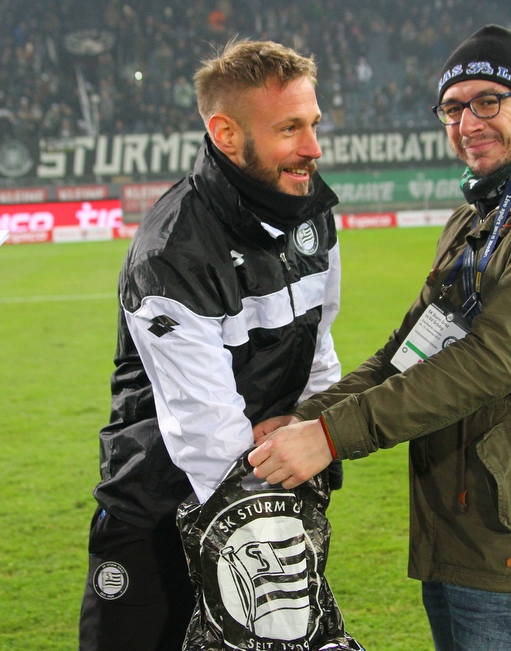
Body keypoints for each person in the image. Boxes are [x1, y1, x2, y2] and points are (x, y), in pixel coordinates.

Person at [249, 25, 511, 650]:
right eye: (453, 108)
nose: (466, 122)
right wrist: (303, 418)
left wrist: (329, 438)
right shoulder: (480, 212)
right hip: (458, 528)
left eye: (488, 101)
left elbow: (489, 362)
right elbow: (410, 351)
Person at [79, 39, 342, 651]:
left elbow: (319, 354)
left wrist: (307, 433)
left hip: (272, 495)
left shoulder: (313, 215)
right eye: (290, 129)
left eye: (314, 125)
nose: (313, 148)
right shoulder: (171, 252)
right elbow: (209, 433)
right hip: (156, 515)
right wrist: (284, 472)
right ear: (225, 133)